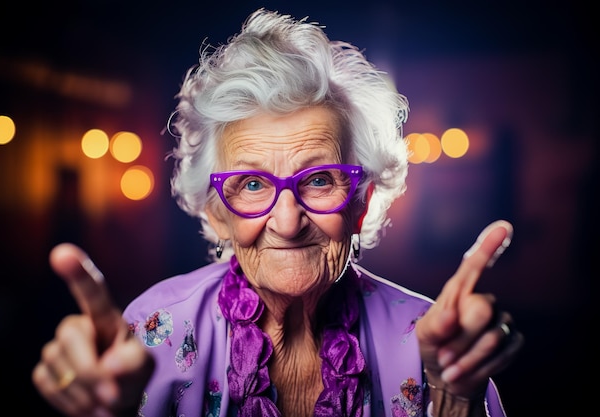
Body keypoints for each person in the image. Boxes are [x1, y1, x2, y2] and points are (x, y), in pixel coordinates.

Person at [32, 8, 523, 417]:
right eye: (250, 183)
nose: (287, 223)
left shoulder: (432, 343)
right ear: (216, 212)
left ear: (362, 201)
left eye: (318, 179)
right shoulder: (151, 332)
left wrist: (454, 395)